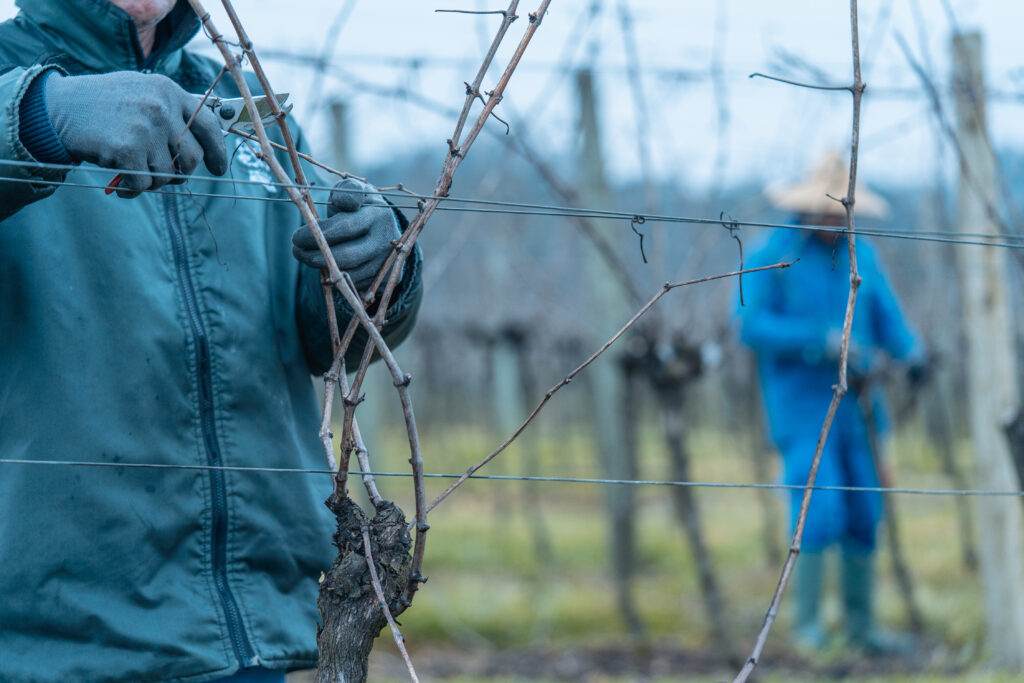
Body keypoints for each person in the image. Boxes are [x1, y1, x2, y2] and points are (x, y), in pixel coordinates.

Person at [0, 1, 423, 682]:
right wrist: (44, 115)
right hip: (41, 648)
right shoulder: (12, 80)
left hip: (245, 641)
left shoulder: (247, 107)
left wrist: (383, 267)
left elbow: (326, 332)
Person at [736, 153, 925, 654]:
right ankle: (810, 629)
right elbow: (751, 327)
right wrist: (818, 340)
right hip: (802, 405)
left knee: (865, 506)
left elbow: (887, 315)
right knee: (817, 508)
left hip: (861, 404)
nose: (837, 218)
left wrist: (913, 356)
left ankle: (863, 628)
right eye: (829, 209)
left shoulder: (862, 255)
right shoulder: (772, 252)